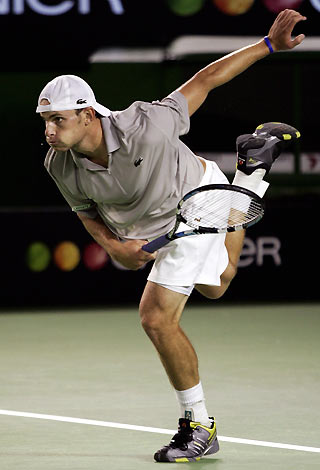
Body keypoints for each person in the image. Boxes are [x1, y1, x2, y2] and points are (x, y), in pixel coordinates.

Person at [36, 9, 305, 462]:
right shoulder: (58, 164)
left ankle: (198, 426)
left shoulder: (144, 125)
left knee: (156, 317)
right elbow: (87, 214)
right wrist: (116, 247)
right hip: (151, 224)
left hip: (192, 197)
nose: (48, 130)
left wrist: (269, 44)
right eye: (44, 120)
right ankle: (252, 172)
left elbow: (204, 81)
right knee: (217, 286)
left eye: (57, 119)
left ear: (86, 114)